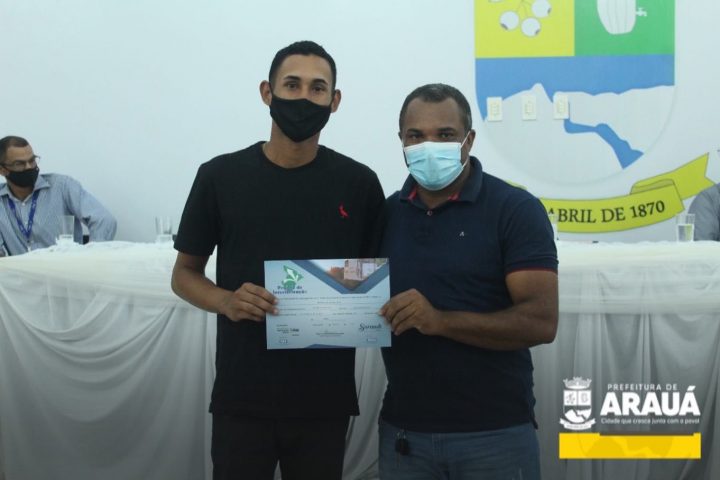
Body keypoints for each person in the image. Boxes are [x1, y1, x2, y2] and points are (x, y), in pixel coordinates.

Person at [170, 41, 385, 480]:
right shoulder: (219, 177)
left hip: (324, 399)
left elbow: (375, 282)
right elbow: (184, 275)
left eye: (317, 88)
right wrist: (226, 300)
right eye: (292, 85)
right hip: (242, 394)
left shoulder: (360, 184)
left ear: (334, 101)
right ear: (267, 92)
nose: (304, 98)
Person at [378, 84, 558, 480]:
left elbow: (541, 322)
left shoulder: (515, 210)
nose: (429, 147)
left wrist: (440, 321)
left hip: (494, 435)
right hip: (405, 434)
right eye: (416, 136)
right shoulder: (386, 214)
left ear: (469, 139)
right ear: (401, 141)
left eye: (444, 135)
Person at [0, 135, 117, 256]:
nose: (29, 167)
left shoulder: (62, 186)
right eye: (19, 164)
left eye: (32, 160)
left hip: (66, 266)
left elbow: (104, 220)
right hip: (22, 268)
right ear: (2, 170)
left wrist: (92, 255)